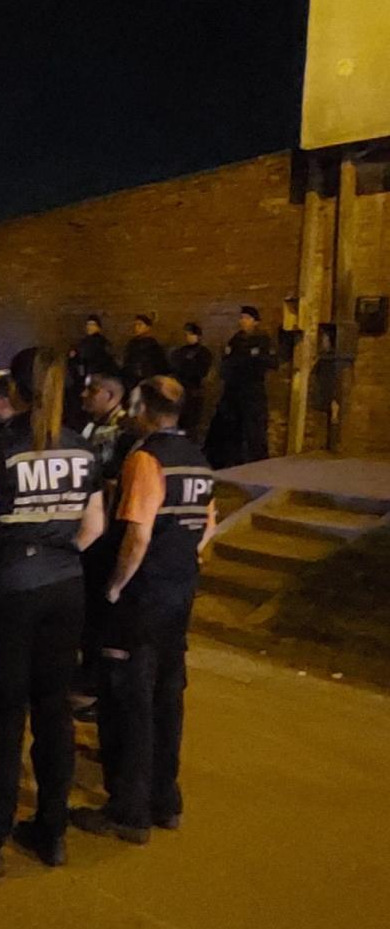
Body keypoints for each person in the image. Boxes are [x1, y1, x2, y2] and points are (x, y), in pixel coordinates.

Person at [0, 347, 105, 878]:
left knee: (4, 716)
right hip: (65, 589)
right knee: (54, 711)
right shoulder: (83, 449)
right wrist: (57, 553)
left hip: (8, 591)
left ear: (15, 390)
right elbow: (94, 527)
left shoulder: (1, 448)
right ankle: (51, 831)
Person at [72, 376, 215, 844]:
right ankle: (164, 799)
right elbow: (207, 525)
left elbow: (137, 534)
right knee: (167, 697)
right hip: (179, 594)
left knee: (127, 701)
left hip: (141, 598)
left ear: (143, 409)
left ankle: (128, 810)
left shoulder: (145, 458)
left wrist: (115, 587)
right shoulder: (196, 458)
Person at [75, 367, 133, 714]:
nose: (85, 395)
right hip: (92, 525)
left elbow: (110, 481)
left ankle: (95, 680)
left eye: (92, 390)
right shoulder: (94, 426)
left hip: (106, 533)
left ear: (110, 396)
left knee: (100, 609)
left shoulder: (121, 432)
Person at [206, 306, 276, 467]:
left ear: (255, 322)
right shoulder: (236, 339)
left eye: (247, 318)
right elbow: (228, 361)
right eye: (242, 317)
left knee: (254, 429)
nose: (243, 321)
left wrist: (252, 358)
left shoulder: (262, 340)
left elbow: (269, 362)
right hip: (233, 391)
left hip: (252, 391)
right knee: (231, 427)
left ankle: (257, 462)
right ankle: (231, 460)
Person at [169, 322, 213, 439]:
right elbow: (175, 366)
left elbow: (201, 371)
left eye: (191, 334)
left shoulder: (203, 352)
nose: (188, 337)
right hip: (181, 390)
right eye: (186, 334)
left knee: (191, 422)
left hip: (193, 391)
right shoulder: (181, 351)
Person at [122, 314, 169, 389]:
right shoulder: (132, 343)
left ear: (147, 327)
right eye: (135, 325)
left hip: (147, 378)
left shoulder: (152, 344)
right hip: (132, 379)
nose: (136, 327)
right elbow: (127, 360)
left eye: (140, 325)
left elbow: (160, 363)